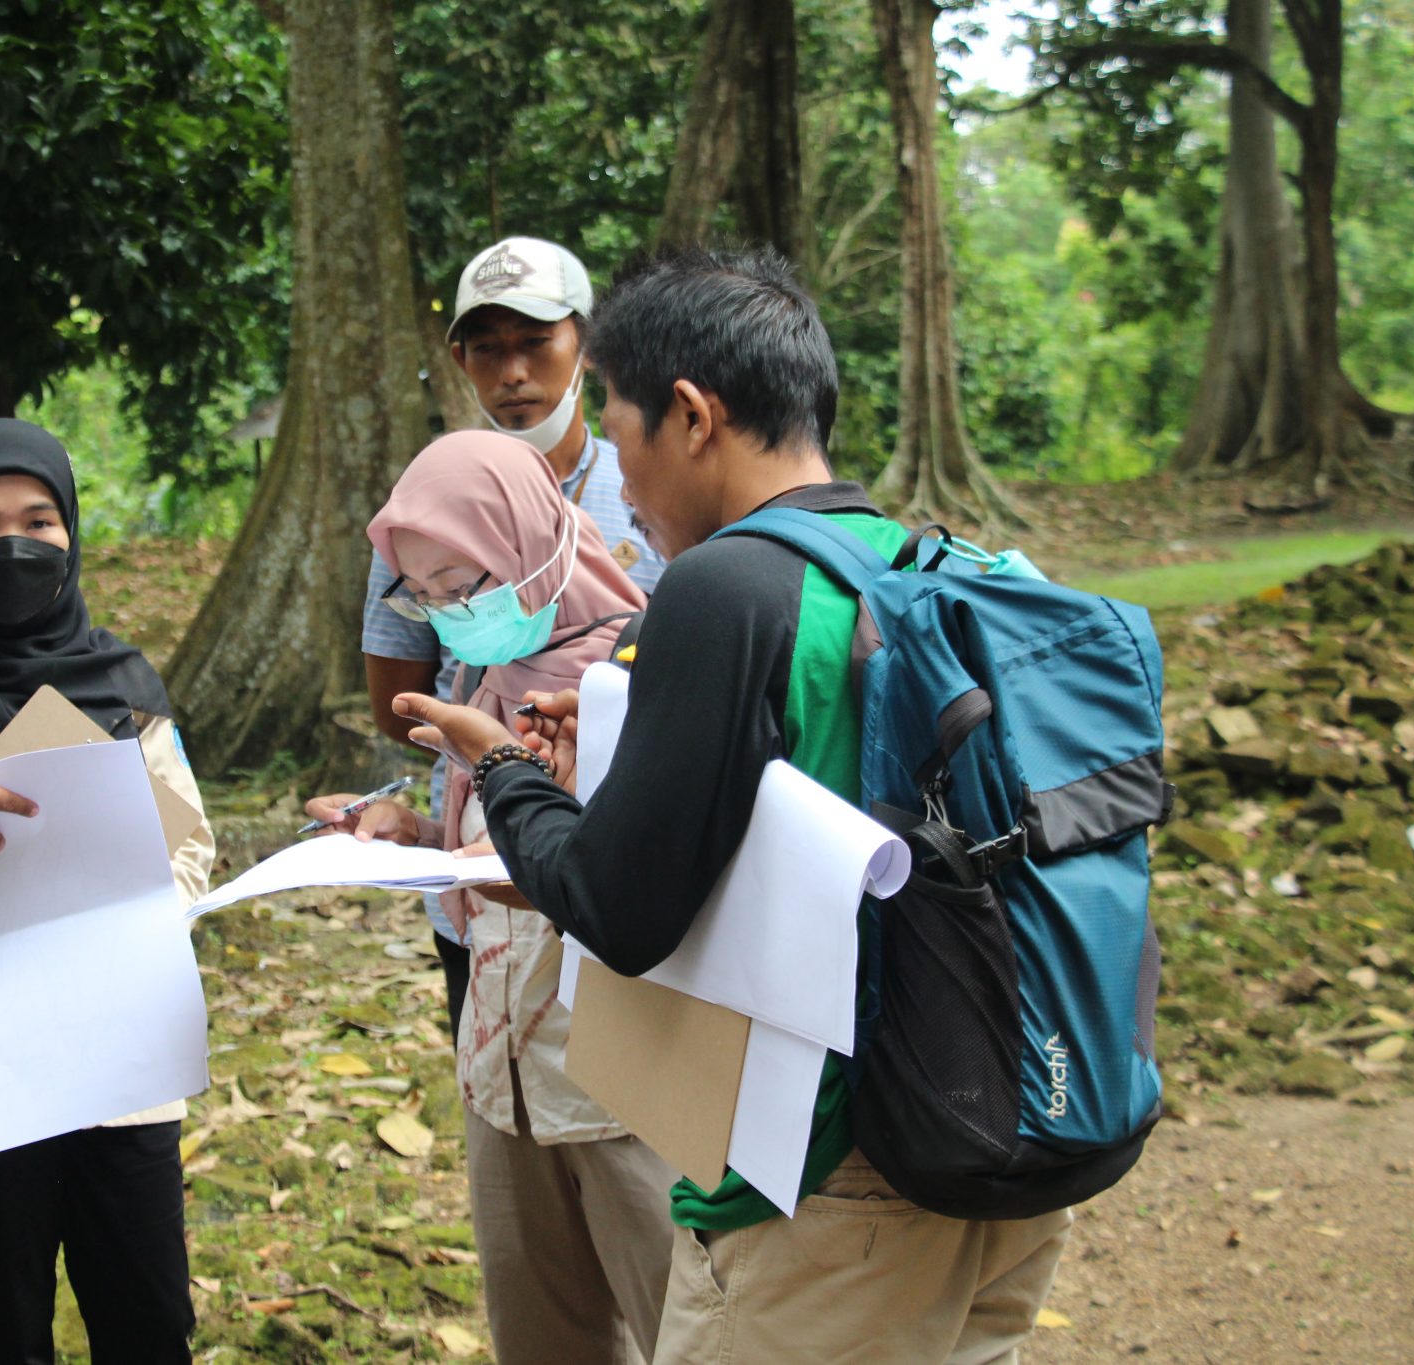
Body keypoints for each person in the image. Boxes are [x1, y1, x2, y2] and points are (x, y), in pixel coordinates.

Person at [396, 246, 1073, 1364]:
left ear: (692, 416)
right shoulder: (904, 562)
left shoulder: (719, 583)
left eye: (618, 439)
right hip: (991, 1130)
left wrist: (502, 770)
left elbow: (620, 910)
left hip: (838, 1181)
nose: (627, 490)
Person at [307, 431, 674, 1365]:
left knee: (686, 1325)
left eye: (465, 584)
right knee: (543, 1334)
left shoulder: (648, 674)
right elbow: (491, 850)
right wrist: (410, 834)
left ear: (536, 543)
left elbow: (639, 877)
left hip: (628, 1081)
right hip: (502, 1068)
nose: (449, 614)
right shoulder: (480, 676)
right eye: (424, 595)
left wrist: (492, 852)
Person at [0, 418, 214, 1365]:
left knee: (145, 1312)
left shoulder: (126, 676)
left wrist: (110, 894)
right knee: (2, 1317)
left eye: (38, 520)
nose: (11, 543)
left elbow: (192, 841)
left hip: (121, 1055)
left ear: (71, 535)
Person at [361, 237, 664, 1038]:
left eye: (536, 342)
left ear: (585, 345)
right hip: (469, 852)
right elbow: (399, 701)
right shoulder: (420, 511)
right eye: (487, 350)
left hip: (616, 866)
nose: (513, 373)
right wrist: (477, 777)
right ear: (459, 360)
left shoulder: (645, 490)